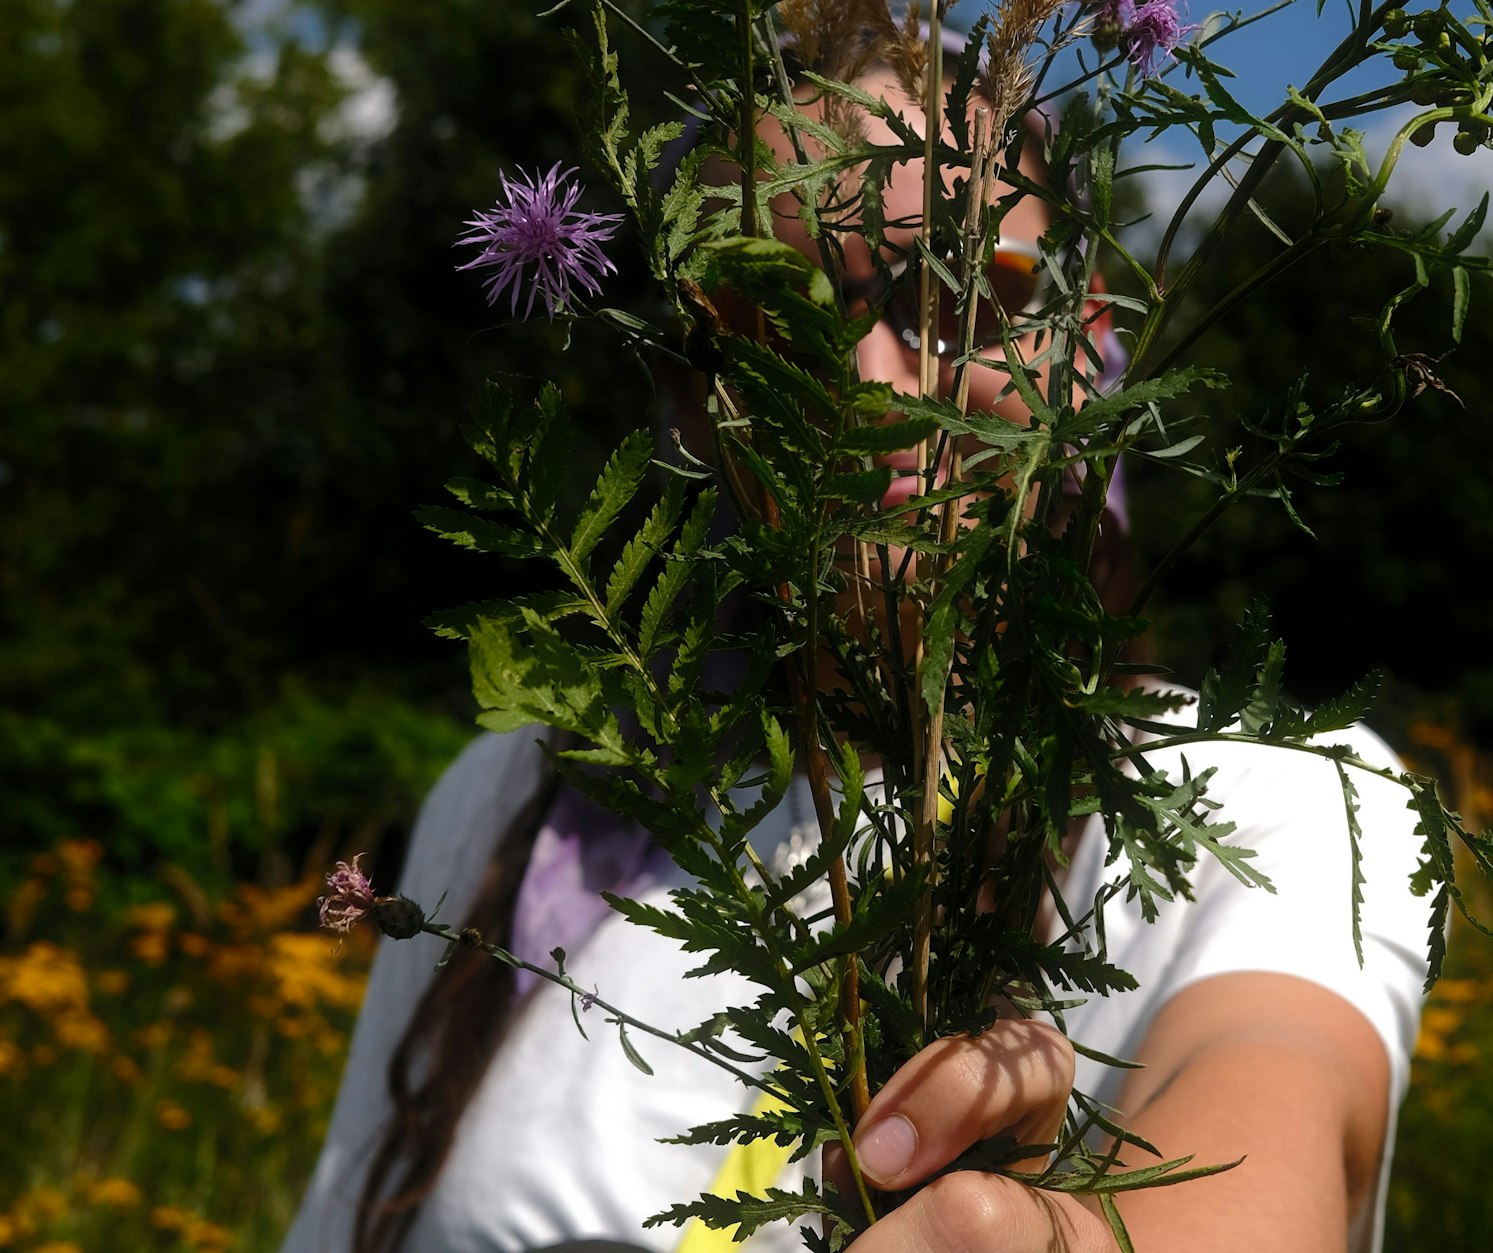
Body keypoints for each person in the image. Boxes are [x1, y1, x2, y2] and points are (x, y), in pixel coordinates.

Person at [282, 47, 1430, 1253]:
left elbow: (1270, 1130)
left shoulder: (1277, 794)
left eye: (961, 288)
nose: (872, 382)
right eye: (771, 317)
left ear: (1083, 341)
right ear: (687, 390)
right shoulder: (528, 799)